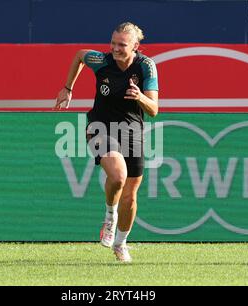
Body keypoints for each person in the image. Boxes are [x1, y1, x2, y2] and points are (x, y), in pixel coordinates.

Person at [54, 22, 159, 263]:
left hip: (132, 130)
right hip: (100, 126)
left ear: (135, 46)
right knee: (118, 176)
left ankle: (121, 244)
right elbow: (80, 55)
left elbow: (153, 109)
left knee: (130, 196)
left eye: (121, 45)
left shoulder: (146, 67)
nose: (115, 48)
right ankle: (109, 216)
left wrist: (139, 96)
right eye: (113, 43)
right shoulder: (100, 60)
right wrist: (68, 87)